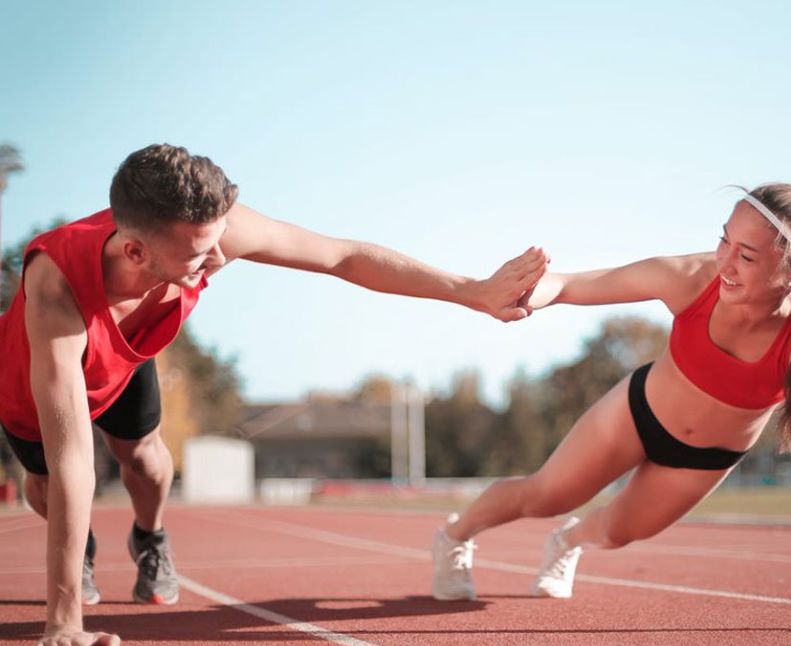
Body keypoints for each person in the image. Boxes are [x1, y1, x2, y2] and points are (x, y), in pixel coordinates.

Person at [0, 143, 548, 646]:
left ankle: (151, 538)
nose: (217, 259)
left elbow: (343, 256)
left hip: (127, 355)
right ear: (136, 253)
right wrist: (64, 624)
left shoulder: (210, 233)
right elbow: (73, 456)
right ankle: (81, 557)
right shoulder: (57, 288)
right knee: (50, 482)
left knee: (146, 459)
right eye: (198, 255)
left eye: (218, 241)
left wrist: (469, 291)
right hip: (34, 379)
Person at [431, 183, 791, 633]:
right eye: (723, 240)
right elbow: (571, 285)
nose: (725, 263)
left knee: (619, 532)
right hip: (636, 415)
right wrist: (527, 296)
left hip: (705, 459)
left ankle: (567, 542)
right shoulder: (692, 278)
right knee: (546, 495)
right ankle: (454, 537)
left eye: (747, 256)